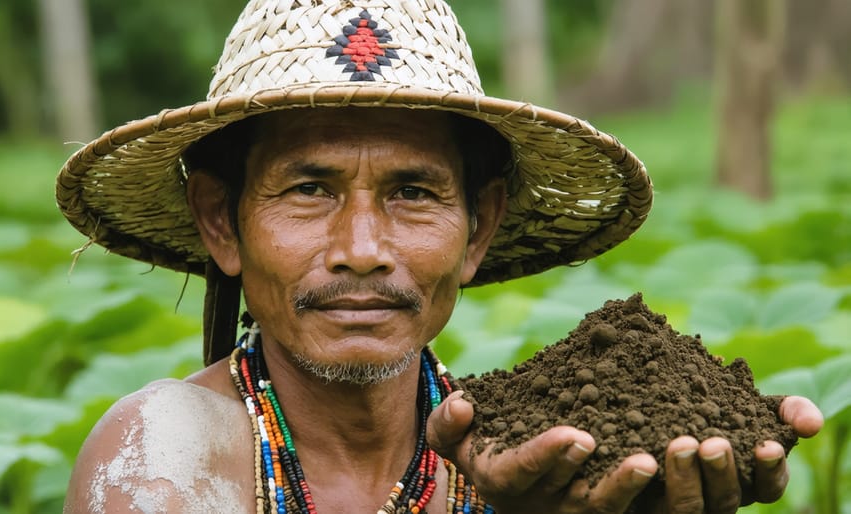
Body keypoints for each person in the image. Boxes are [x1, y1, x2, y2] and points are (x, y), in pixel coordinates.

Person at [56, 1, 823, 513]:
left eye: (413, 192)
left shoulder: (534, 461)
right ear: (222, 223)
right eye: (310, 189)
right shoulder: (164, 453)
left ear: (478, 227)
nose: (362, 251)